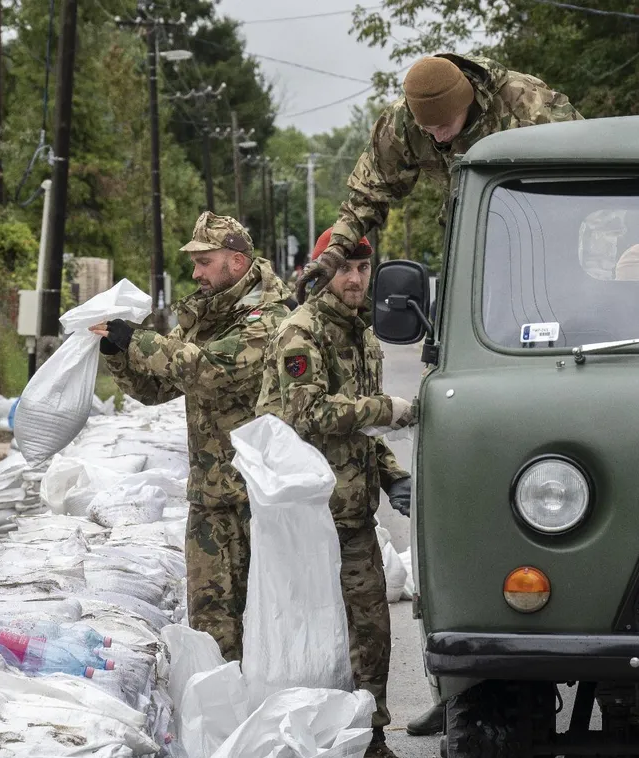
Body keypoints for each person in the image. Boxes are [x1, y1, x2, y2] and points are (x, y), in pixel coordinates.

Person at [90, 211, 290, 662]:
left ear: (236, 262)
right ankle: (222, 722)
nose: (195, 272)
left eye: (204, 261)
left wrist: (138, 340)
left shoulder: (268, 317)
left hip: (258, 501)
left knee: (269, 625)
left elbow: (208, 371)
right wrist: (117, 354)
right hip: (210, 499)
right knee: (211, 627)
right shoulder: (207, 316)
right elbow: (157, 387)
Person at [258, 227, 416, 758]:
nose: (355, 278)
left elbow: (364, 433)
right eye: (344, 268)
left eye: (363, 268)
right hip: (308, 524)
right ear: (324, 272)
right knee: (311, 641)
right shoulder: (302, 333)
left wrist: (394, 474)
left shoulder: (363, 336)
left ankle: (370, 737)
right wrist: (387, 409)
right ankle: (311, 739)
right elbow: (310, 413)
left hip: (353, 519)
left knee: (371, 634)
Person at [297, 53, 583, 302]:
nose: (438, 135)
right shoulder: (402, 122)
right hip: (470, 238)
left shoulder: (526, 104)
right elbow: (366, 195)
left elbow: (593, 172)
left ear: (467, 104)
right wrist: (335, 253)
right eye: (428, 128)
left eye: (444, 125)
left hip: (547, 230)